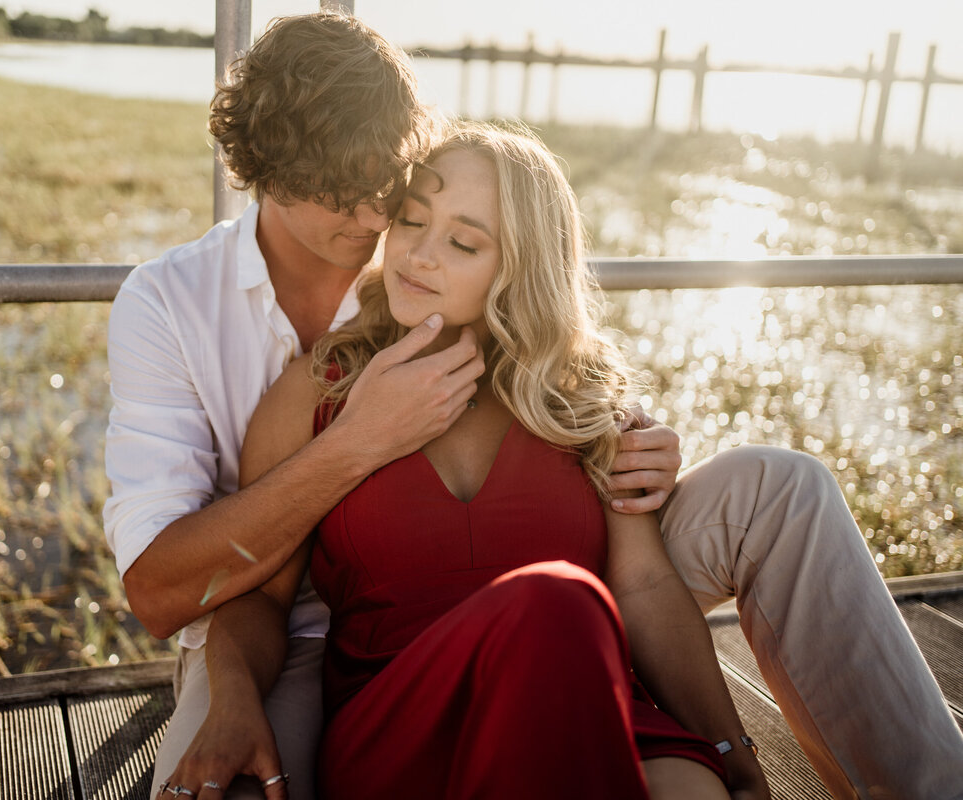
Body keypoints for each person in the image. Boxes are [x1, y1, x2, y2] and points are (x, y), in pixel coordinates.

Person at [103, 11, 963, 800]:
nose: (381, 225)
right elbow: (179, 591)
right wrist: (359, 442)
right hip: (325, 646)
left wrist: (732, 753)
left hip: (563, 626)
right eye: (370, 204)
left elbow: (641, 565)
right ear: (269, 175)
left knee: (767, 505)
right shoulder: (209, 322)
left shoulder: (519, 345)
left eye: (392, 195)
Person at [164, 121, 773, 799]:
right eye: (410, 221)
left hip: (589, 709)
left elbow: (646, 589)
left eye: (462, 241)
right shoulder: (321, 388)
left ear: (520, 264)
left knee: (696, 790)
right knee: (558, 600)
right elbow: (260, 597)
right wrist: (232, 700)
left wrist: (732, 745)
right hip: (403, 725)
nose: (418, 255)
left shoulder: (579, 402)